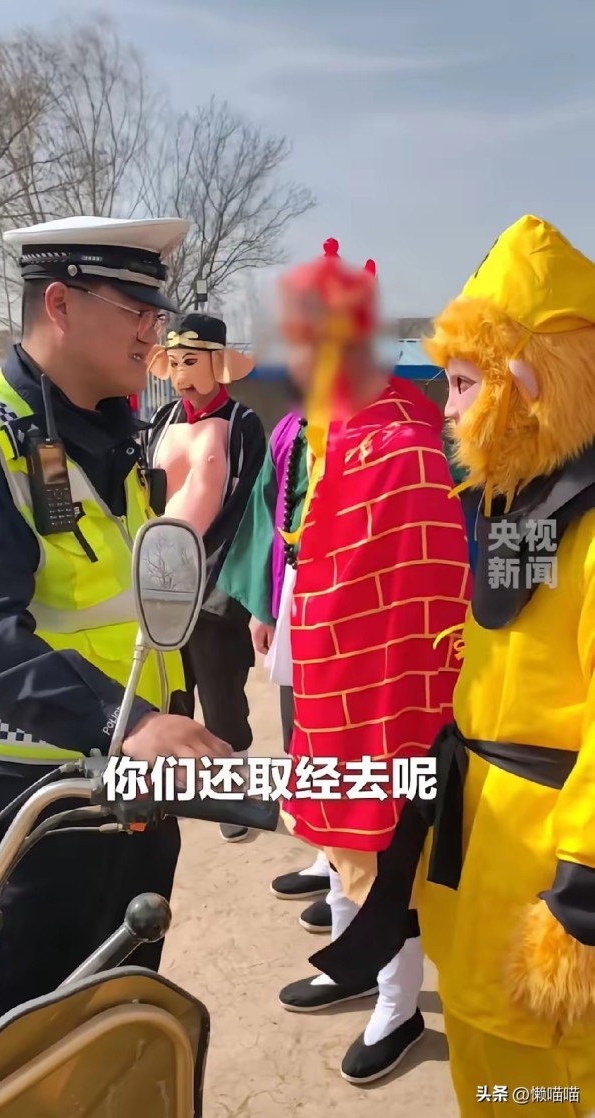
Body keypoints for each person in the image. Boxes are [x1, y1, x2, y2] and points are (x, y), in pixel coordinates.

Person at [0, 215, 232, 1086]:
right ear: (61, 304)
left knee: (122, 1023)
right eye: (136, 308)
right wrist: (126, 721)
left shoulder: (121, 436)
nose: (156, 331)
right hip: (28, 808)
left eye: (158, 310)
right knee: (23, 1050)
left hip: (133, 793)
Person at [319, 214, 595, 1114]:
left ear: (530, 381)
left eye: (467, 382)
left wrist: (581, 900)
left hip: (545, 898)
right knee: (489, 1077)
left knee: (539, 1093)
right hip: (483, 870)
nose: (446, 405)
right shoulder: (523, 509)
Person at [275, 239, 471, 1084]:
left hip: (390, 684)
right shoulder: (327, 427)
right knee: (337, 836)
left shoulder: (402, 438)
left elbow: (430, 580)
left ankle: (398, 1004)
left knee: (388, 849)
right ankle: (354, 965)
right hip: (327, 671)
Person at [145, 314, 266, 841]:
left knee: (221, 689)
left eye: (191, 361)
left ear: (217, 363)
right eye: (173, 362)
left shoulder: (243, 423)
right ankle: (172, 790)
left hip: (217, 575)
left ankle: (229, 791)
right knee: (170, 689)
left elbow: (251, 505)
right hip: (161, 573)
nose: (181, 375)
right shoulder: (161, 419)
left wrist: (227, 577)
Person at [217, 379, 332, 933]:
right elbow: (268, 517)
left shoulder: (374, 432)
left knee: (344, 734)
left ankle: (353, 874)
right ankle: (327, 854)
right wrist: (264, 605)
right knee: (300, 730)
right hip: (295, 588)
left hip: (349, 599)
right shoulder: (291, 429)